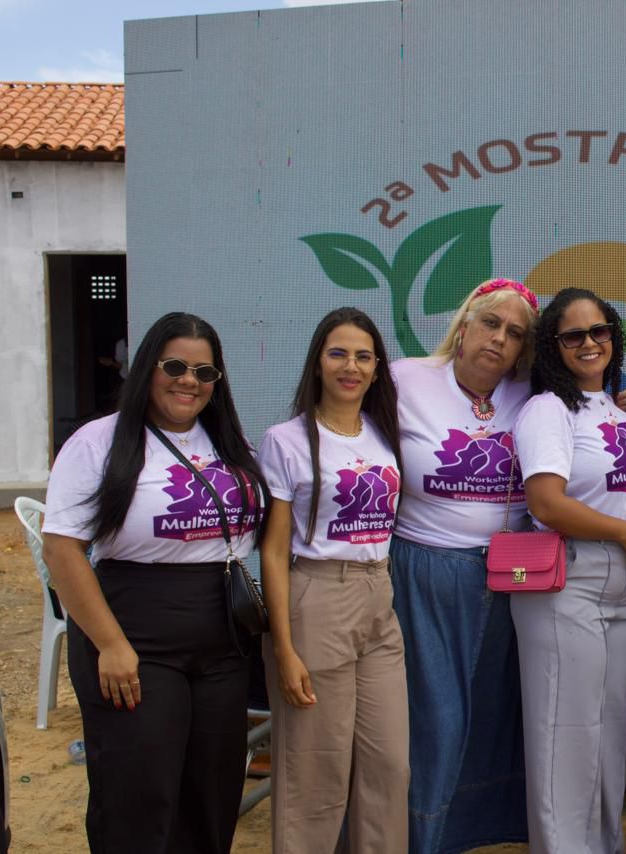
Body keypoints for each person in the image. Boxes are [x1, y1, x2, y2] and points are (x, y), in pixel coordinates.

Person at [41, 312, 267, 853]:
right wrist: (111, 644)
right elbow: (62, 548)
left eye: (204, 371)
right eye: (174, 366)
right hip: (135, 638)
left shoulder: (229, 444)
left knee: (212, 792)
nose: (188, 381)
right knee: (140, 795)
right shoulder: (98, 442)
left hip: (222, 641)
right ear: (148, 367)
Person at [389, 277, 538, 852]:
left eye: (515, 334)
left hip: (511, 575)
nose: (499, 340)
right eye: (491, 323)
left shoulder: (532, 394)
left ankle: (473, 832)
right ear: (464, 323)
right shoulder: (406, 379)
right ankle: (415, 836)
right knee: (436, 717)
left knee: (494, 712)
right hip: (425, 572)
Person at [258, 307, 409, 852]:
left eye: (364, 356)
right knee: (314, 774)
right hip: (317, 596)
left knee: (388, 765)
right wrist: (284, 646)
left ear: (376, 368)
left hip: (379, 597)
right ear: (318, 362)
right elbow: (273, 551)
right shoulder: (287, 439)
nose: (351, 366)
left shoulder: (383, 432)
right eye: (338, 353)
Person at [511, 287, 626, 852]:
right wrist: (624, 533)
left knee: (610, 731)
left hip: (621, 581)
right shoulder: (548, 409)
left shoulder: (614, 407)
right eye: (574, 335)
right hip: (567, 577)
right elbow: (546, 503)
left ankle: (605, 844)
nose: (590, 342)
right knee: (565, 738)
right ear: (553, 346)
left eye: (600, 331)